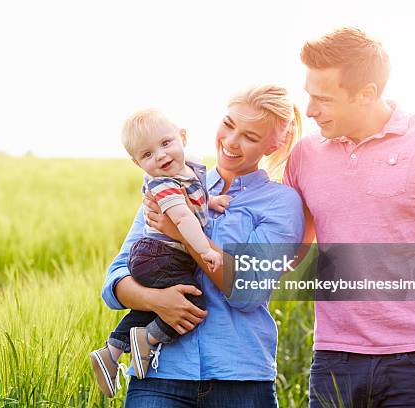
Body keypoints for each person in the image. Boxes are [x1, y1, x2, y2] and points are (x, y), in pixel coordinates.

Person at [284, 27, 415, 407]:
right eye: (308, 95)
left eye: (323, 99)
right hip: (333, 358)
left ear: (367, 94)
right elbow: (289, 254)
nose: (309, 110)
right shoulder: (305, 155)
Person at [102, 85, 305, 407]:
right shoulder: (166, 183)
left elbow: (248, 291)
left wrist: (183, 232)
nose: (231, 141)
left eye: (250, 137)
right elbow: (115, 281)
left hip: (239, 378)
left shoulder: (280, 203)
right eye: (228, 124)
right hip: (160, 373)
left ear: (273, 144)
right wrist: (157, 300)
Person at [89, 109, 229, 397]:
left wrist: (211, 201)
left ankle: (113, 350)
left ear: (183, 137)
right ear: (137, 163)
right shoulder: (163, 183)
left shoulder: (187, 171)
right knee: (192, 299)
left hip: (156, 255)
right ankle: (148, 338)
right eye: (148, 155)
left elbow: (194, 199)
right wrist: (204, 249)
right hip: (158, 254)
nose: (161, 156)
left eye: (166, 144)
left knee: (156, 304)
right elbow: (182, 219)